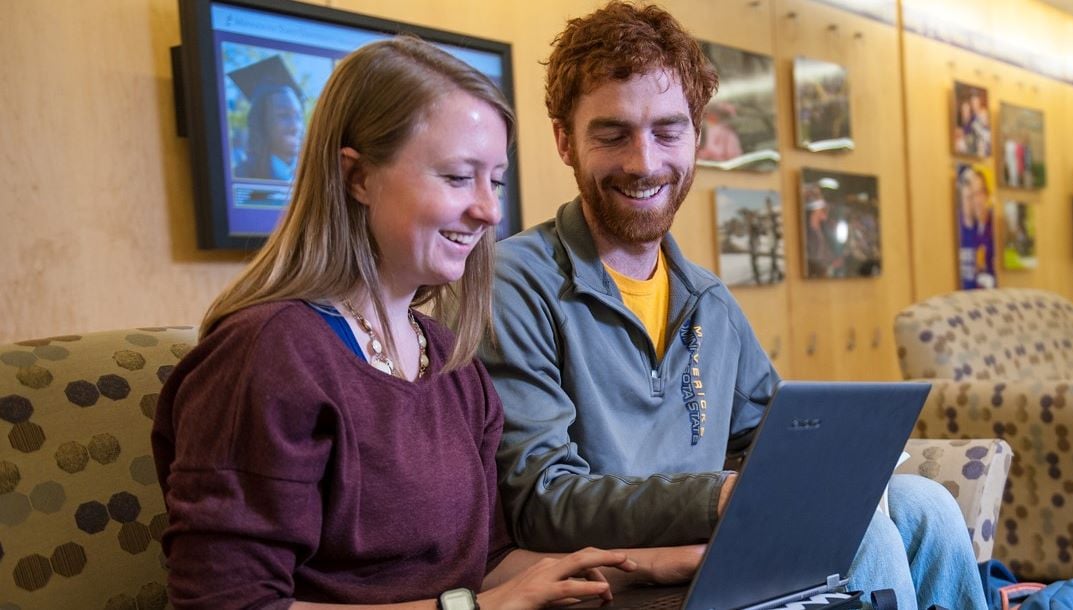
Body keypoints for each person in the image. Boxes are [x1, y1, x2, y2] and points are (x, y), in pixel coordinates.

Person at [152, 36, 695, 610]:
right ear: (357, 178)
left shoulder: (449, 359)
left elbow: (486, 563)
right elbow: (225, 603)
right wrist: (467, 609)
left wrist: (656, 564)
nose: (488, 210)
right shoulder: (269, 354)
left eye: (496, 181)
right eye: (459, 178)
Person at [482, 4, 986, 610]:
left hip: (713, 548)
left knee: (927, 505)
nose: (644, 163)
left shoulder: (707, 301)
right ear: (566, 141)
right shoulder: (516, 282)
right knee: (859, 536)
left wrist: (838, 464)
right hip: (621, 579)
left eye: (668, 132)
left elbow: (767, 438)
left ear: (698, 136)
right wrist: (720, 495)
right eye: (613, 134)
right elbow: (542, 501)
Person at [229, 55, 305, 181]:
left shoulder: (315, 176)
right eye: (283, 115)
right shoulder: (242, 175)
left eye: (298, 116)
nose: (295, 126)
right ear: (261, 122)